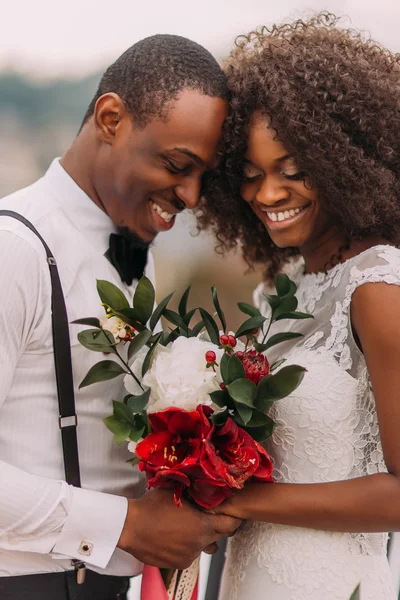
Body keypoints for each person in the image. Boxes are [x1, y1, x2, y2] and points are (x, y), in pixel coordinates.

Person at [0, 34, 241, 600]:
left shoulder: (142, 262)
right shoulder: (14, 248)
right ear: (111, 117)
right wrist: (129, 525)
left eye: (203, 176)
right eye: (178, 165)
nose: (190, 195)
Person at [200, 13, 400, 600]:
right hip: (247, 579)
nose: (267, 195)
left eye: (293, 171)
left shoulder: (377, 290)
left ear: (350, 163)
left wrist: (237, 498)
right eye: (251, 174)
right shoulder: (281, 290)